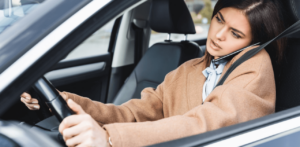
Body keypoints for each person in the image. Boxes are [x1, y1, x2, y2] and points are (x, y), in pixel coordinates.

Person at [20, 0, 286, 146]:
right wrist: (63, 100)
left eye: (235, 33)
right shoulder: (188, 70)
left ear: (254, 43)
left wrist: (111, 138)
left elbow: (206, 124)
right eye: (219, 19)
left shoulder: (255, 66)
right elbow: (132, 114)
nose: (217, 35)